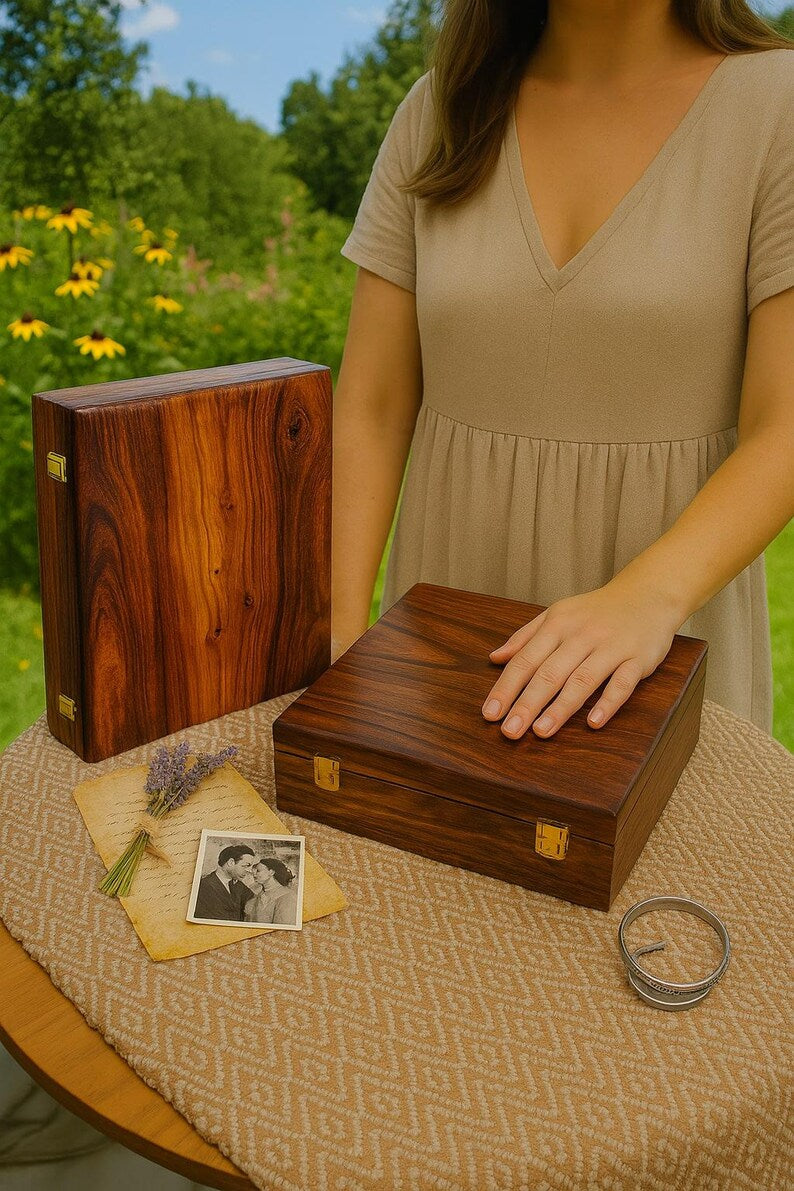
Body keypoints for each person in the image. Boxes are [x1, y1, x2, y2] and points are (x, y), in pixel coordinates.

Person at [333, 1, 793, 739]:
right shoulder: (436, 113)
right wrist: (340, 638)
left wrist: (646, 598)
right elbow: (374, 405)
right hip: (440, 652)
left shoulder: (778, 104)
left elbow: (786, 430)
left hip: (661, 650)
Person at [193, 843, 256, 922]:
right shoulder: (203, 886)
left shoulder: (238, 885)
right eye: (245, 866)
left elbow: (254, 901)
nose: (249, 871)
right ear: (231, 862)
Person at [244, 858, 300, 925]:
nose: (254, 874)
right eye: (254, 871)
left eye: (258, 871)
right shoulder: (256, 895)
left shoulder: (287, 896)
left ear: (271, 872)